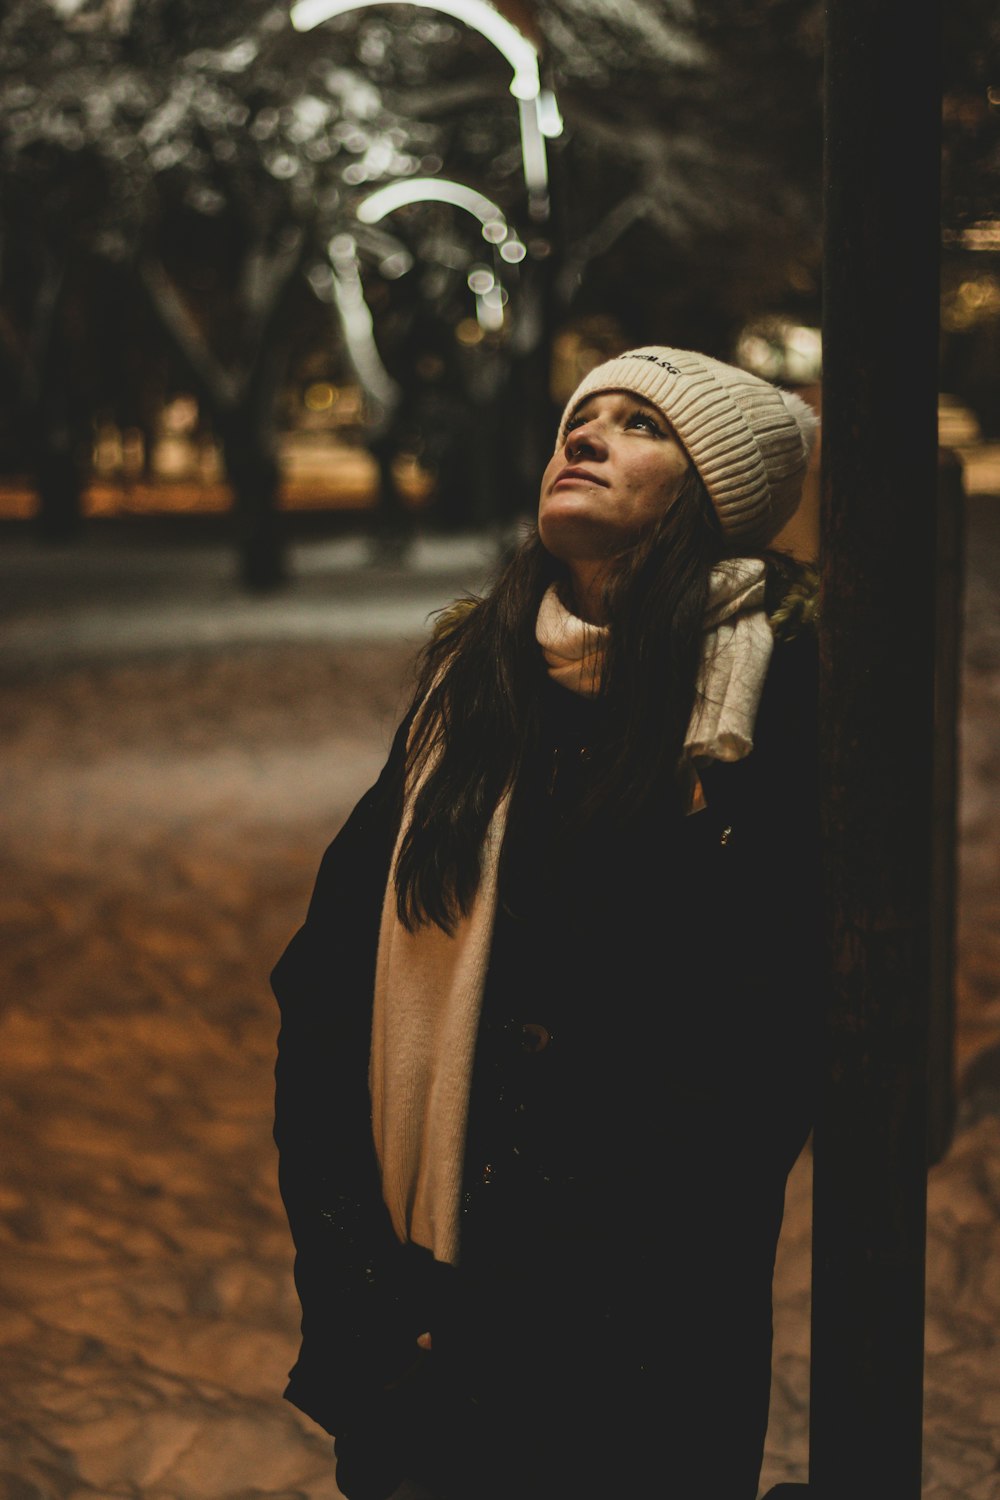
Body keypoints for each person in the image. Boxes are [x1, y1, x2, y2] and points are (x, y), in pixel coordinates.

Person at [272, 344, 823, 1500]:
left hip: (639, 1349)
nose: (585, 436)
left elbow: (772, 1031)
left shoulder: (776, 701)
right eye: (583, 416)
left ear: (710, 497)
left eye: (640, 427)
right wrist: (354, 1287)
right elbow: (326, 997)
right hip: (425, 1328)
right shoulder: (471, 692)